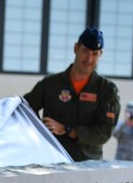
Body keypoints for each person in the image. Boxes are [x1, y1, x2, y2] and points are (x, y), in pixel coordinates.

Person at [24, 27, 121, 161]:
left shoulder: (107, 90)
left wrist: (68, 130)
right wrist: (40, 131)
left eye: (95, 54)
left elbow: (103, 133)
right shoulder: (50, 84)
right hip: (52, 161)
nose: (89, 58)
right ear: (76, 48)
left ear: (101, 54)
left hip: (87, 166)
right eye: (85, 51)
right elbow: (25, 109)